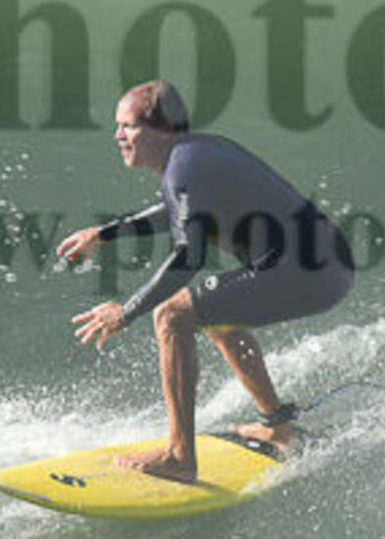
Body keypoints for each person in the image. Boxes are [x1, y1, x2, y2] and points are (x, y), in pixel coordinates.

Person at [55, 80, 355, 482]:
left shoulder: (184, 167)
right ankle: (279, 429)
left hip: (309, 273)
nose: (118, 135)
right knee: (214, 315)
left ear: (162, 128)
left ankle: (180, 457)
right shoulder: (194, 155)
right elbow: (175, 210)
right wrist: (103, 234)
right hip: (322, 264)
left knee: (172, 315)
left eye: (127, 126)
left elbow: (188, 257)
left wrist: (125, 313)